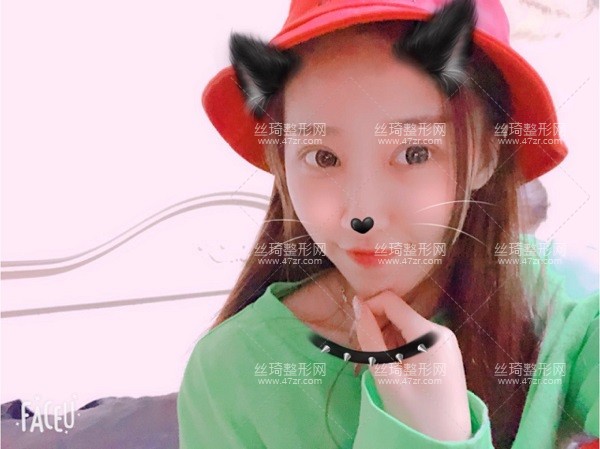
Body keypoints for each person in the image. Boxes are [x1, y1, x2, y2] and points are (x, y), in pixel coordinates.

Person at [177, 0, 599, 447]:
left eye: (415, 153)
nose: (363, 214)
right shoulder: (231, 374)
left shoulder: (561, 303)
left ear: (486, 157)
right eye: (323, 157)